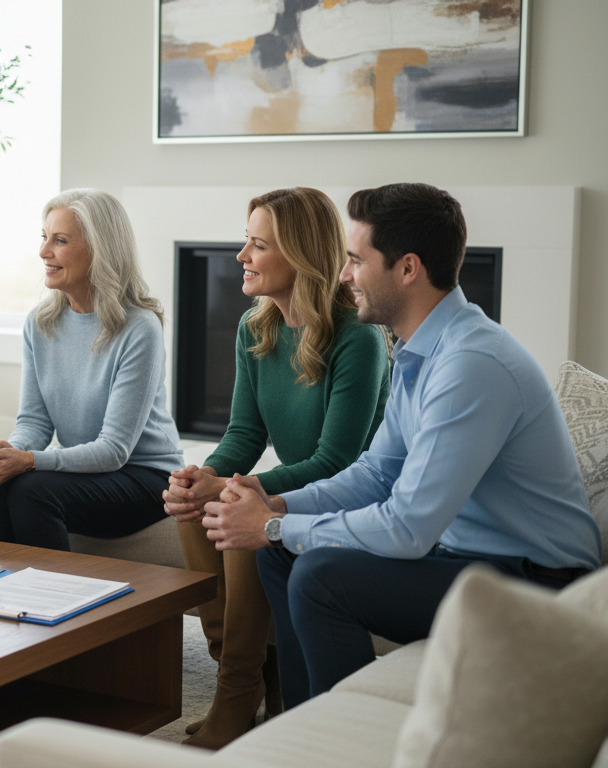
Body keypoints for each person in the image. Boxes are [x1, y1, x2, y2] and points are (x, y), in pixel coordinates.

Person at [200, 183, 601, 710]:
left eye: (355, 260)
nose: (343, 275)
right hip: (466, 560)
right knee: (281, 556)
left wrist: (274, 524)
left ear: (407, 268)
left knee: (320, 573)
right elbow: (375, 473)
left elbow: (409, 527)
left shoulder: (470, 365)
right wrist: (279, 506)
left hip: (536, 585)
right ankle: (298, 725)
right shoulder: (419, 350)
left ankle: (349, 737)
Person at [162, 188, 391, 749]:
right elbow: (244, 434)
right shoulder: (254, 327)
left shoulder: (357, 337)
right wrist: (204, 476)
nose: (240, 255)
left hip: (351, 496)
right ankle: (240, 676)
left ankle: (238, 691)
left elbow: (337, 461)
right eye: (246, 240)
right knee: (195, 508)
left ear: (301, 257)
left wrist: (239, 487)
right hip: (299, 489)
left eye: (257, 244)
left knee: (240, 512)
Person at [0, 188, 183, 550]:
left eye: (60, 240)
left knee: (32, 492)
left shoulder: (139, 328)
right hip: (89, 472)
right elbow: (34, 423)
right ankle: (0, 599)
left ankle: (56, 601)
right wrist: (4, 455)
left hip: (145, 476)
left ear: (99, 249)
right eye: (44, 237)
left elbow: (114, 450)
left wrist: (30, 461)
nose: (43, 252)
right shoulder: (40, 323)